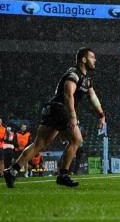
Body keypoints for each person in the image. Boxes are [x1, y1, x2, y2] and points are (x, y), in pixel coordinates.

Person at [3, 48, 106, 188]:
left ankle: (13, 171)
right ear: (84, 59)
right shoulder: (74, 74)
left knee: (39, 144)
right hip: (60, 108)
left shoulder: (86, 80)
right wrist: (73, 116)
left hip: (52, 108)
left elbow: (93, 97)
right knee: (76, 139)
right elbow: (68, 93)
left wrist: (101, 115)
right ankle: (63, 175)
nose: (95, 60)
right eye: (92, 57)